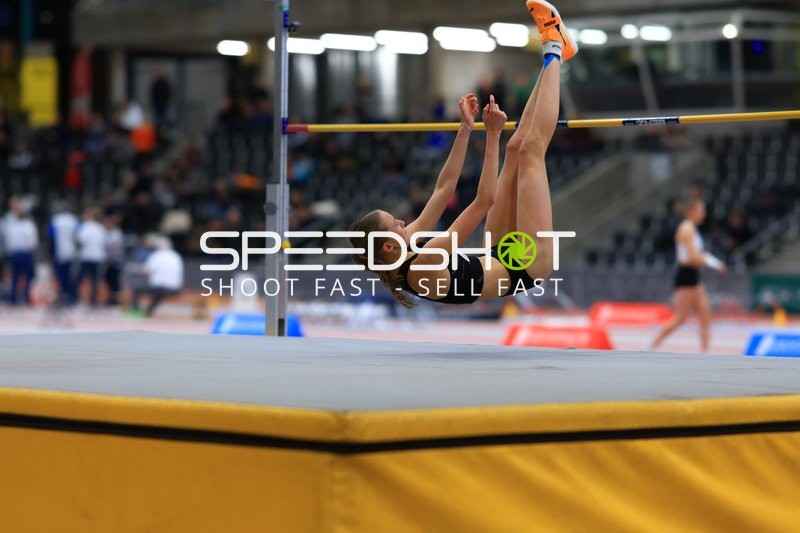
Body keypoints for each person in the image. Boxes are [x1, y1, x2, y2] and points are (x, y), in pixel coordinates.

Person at [348, 0, 577, 307]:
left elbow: (444, 188)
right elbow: (485, 201)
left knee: (515, 148)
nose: (404, 222)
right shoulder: (422, 262)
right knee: (532, 149)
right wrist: (492, 134)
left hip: (498, 254)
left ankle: (557, 52)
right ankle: (552, 48)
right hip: (527, 266)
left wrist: (466, 128)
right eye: (396, 224)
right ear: (388, 246)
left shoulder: (406, 244)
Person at [648, 199, 727, 352]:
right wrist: (708, 263)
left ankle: (705, 352)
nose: (704, 214)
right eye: (701, 210)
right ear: (692, 212)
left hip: (695, 276)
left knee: (705, 315)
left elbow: (700, 254)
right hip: (686, 276)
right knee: (680, 318)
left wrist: (716, 263)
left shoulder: (693, 229)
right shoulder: (686, 229)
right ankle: (652, 345)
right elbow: (692, 257)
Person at [130, 236, 184, 317]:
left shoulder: (156, 255)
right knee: (158, 294)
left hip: (160, 287)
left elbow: (146, 272)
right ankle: (148, 312)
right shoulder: (176, 256)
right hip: (175, 288)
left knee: (136, 289)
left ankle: (135, 311)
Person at [4, 198, 38, 306]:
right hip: (26, 253)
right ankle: (26, 298)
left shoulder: (12, 227)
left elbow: (9, 241)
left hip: (15, 253)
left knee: (15, 276)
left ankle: (13, 299)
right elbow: (33, 241)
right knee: (27, 276)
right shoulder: (29, 226)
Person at [48, 200, 80, 304]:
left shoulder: (55, 220)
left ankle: (63, 296)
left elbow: (51, 238)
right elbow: (80, 237)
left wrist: (51, 253)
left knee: (61, 276)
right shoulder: (74, 220)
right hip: (72, 252)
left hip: (59, 252)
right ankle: (72, 297)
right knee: (72, 276)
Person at [75, 207, 108, 307]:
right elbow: (104, 242)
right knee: (96, 279)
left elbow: (80, 241)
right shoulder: (100, 228)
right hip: (98, 257)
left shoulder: (84, 227)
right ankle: (95, 301)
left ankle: (83, 300)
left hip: (86, 256)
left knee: (83, 279)